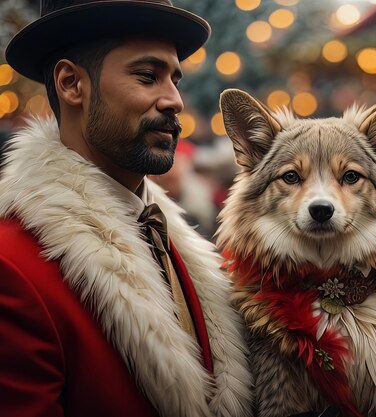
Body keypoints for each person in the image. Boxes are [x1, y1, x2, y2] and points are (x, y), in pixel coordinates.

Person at [0, 1, 252, 416]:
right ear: (71, 84)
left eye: (174, 79)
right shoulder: (12, 267)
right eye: (148, 76)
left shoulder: (181, 245)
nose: (174, 101)